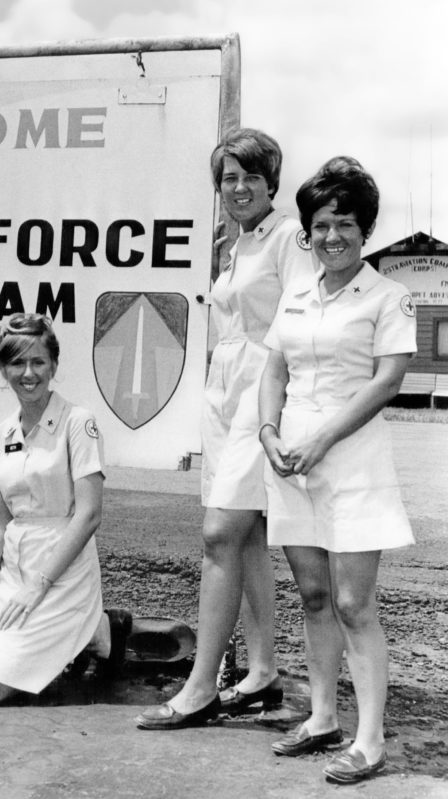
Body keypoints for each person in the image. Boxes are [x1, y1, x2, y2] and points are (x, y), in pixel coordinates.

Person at [138, 128, 314, 729]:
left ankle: (200, 686)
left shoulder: (291, 236)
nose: (238, 188)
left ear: (272, 182)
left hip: (265, 384)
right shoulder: (236, 243)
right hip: (223, 384)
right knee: (246, 536)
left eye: (250, 178)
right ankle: (262, 673)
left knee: (219, 532)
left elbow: (299, 323)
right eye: (228, 179)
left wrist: (277, 407)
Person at [259, 157, 415, 784]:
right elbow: (274, 371)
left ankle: (369, 738)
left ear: (365, 229)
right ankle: (322, 716)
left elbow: (387, 381)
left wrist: (323, 436)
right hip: (292, 462)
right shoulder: (295, 294)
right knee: (315, 595)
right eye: (321, 223)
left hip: (353, 462)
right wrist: (269, 433)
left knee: (353, 602)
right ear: (307, 229)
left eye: (345, 223)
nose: (332, 236)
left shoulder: (388, 295)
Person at [0, 313, 128, 704]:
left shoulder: (78, 422)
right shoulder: (1, 433)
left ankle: (90, 633)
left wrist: (38, 586)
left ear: (54, 365)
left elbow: (89, 515)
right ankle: (98, 634)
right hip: (13, 571)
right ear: (3, 368)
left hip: (61, 574)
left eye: (38, 362)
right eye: (17, 363)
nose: (28, 373)